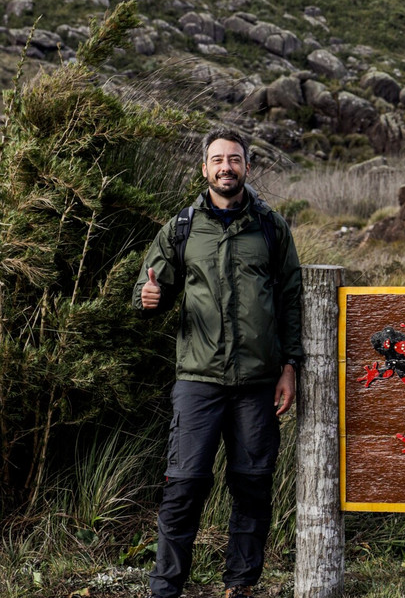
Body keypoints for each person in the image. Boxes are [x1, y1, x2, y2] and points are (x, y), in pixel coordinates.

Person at [133, 128, 304, 598]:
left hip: (258, 382)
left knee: (252, 485)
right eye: (217, 159)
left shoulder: (271, 227)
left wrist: (290, 366)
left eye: (234, 159)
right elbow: (151, 287)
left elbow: (291, 300)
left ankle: (240, 585)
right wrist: (146, 298)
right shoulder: (182, 228)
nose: (225, 167)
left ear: (248, 167)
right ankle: (165, 588)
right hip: (198, 381)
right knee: (183, 486)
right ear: (204, 168)